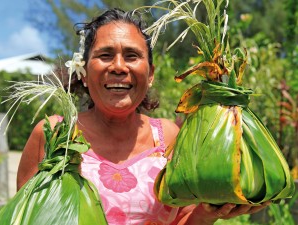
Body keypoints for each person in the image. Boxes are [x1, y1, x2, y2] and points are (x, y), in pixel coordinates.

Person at [17, 8, 269, 225]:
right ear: (83, 72)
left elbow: (186, 219)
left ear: (150, 74)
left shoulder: (168, 137)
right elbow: (23, 216)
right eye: (105, 55)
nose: (118, 66)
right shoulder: (53, 136)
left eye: (132, 56)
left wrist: (207, 214)